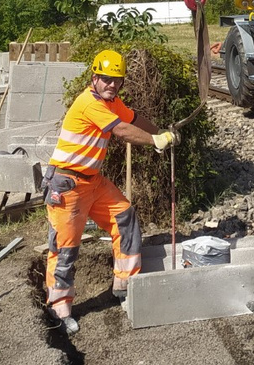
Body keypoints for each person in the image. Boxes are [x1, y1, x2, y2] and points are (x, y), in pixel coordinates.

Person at [43, 49, 179, 333]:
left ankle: (125, 285)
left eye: (117, 80)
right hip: (67, 184)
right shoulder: (89, 103)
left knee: (125, 217)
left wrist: (163, 134)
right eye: (106, 79)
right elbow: (122, 131)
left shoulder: (111, 102)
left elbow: (134, 119)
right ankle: (59, 309)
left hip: (92, 181)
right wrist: (156, 140)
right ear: (94, 78)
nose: (112, 85)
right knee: (65, 249)